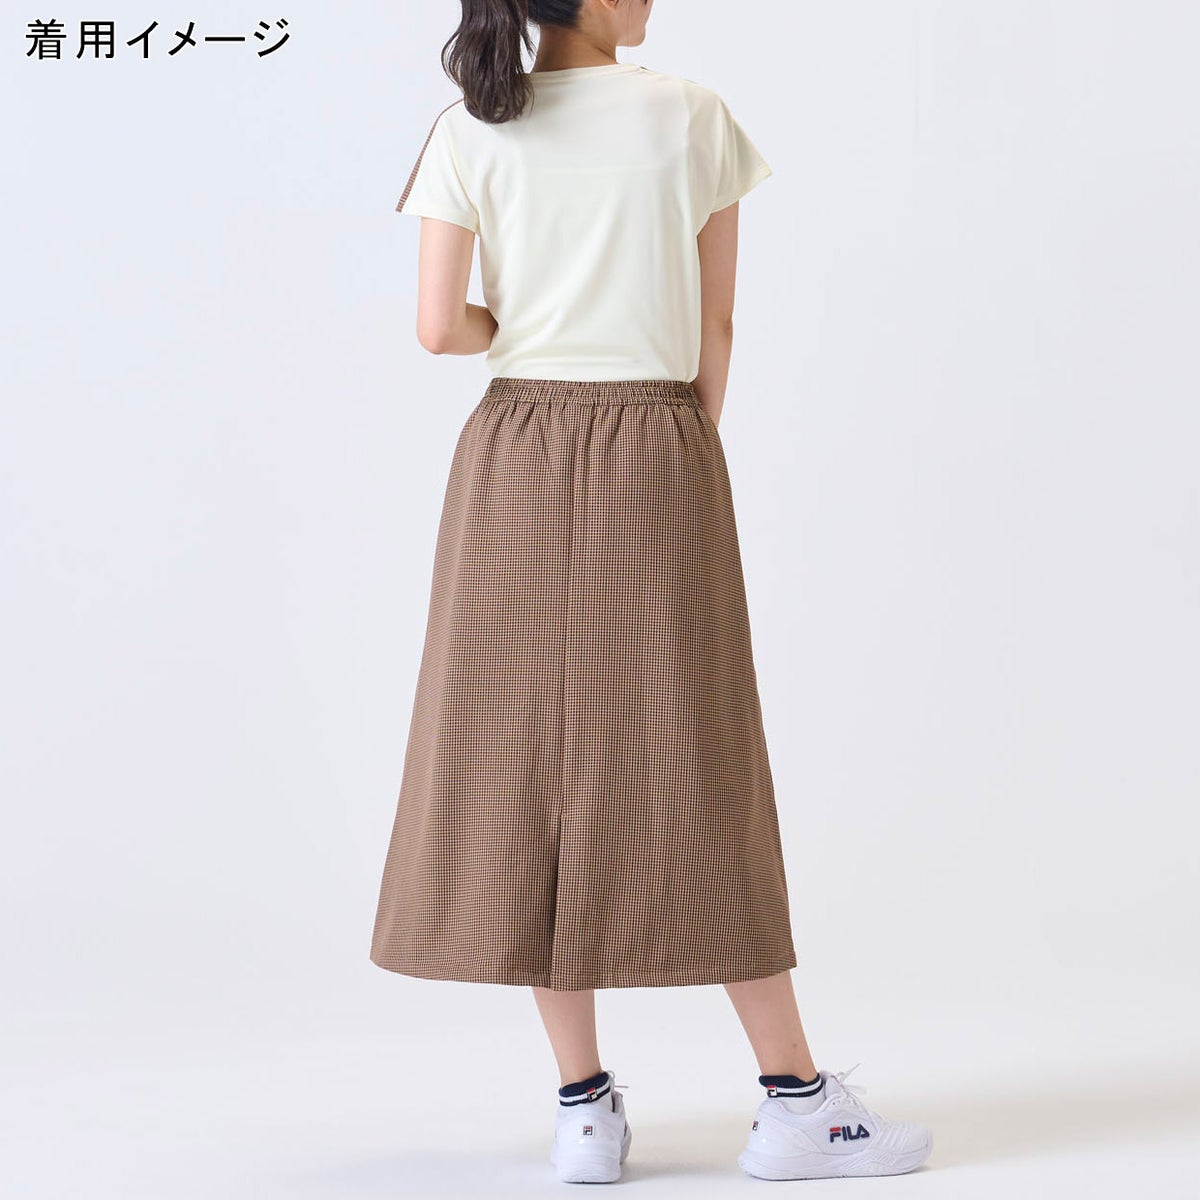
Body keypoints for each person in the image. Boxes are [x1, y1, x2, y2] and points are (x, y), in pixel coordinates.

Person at [368, 0, 932, 1184]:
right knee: (700, 761)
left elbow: (436, 328)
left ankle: (583, 1110)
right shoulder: (690, 116)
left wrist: (518, 321)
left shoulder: (471, 127)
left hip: (512, 455)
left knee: (528, 770)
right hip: (659, 443)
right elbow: (715, 321)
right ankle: (794, 1099)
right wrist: (680, 452)